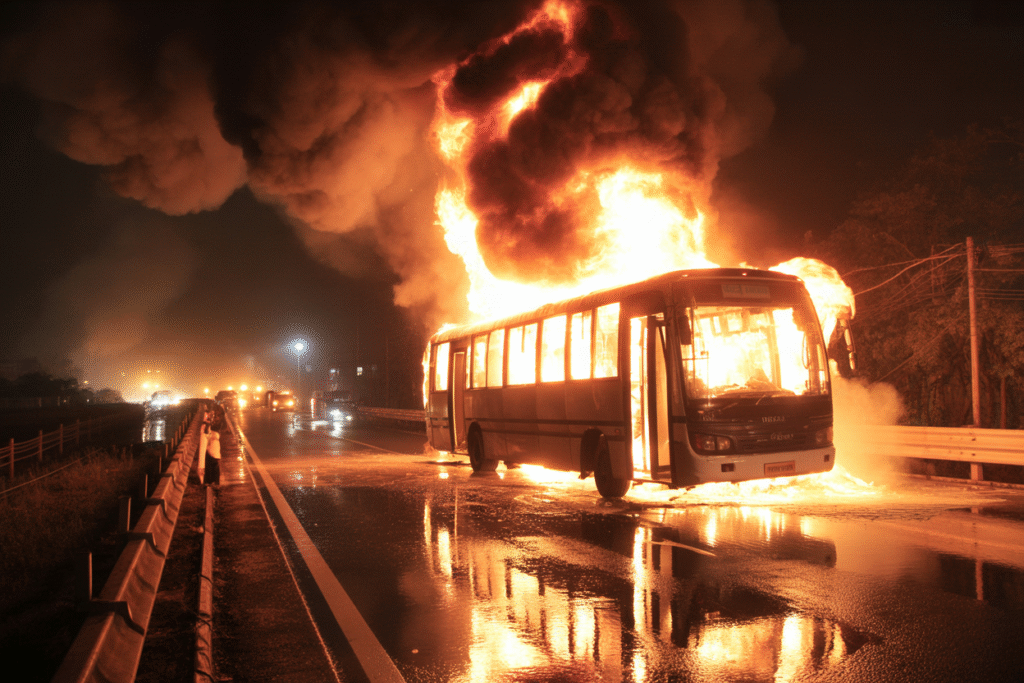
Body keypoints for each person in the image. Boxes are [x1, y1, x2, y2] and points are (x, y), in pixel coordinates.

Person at [199, 405, 223, 486]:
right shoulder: (211, 417)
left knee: (214, 460)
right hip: (210, 440)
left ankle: (214, 481)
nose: (217, 417)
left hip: (213, 440)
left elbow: (213, 427)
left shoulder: (217, 422)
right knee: (210, 460)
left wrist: (208, 423)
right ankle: (211, 481)